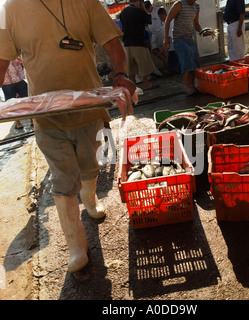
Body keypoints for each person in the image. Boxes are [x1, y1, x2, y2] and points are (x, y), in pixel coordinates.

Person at [0, 0, 136, 274]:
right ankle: (76, 245)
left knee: (90, 167)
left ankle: (89, 197)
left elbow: (112, 43)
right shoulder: (10, 9)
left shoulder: (86, 1)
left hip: (90, 109)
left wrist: (121, 75)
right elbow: (1, 59)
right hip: (46, 117)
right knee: (63, 178)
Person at [163, 0, 203, 96]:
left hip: (189, 37)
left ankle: (193, 86)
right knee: (186, 61)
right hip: (178, 38)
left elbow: (196, 24)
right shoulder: (179, 4)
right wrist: (166, 39)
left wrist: (203, 32)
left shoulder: (197, 6)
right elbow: (167, 20)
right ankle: (188, 87)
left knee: (195, 62)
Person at [120, 0, 159, 90]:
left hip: (127, 43)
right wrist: (143, 9)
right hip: (138, 42)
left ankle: (132, 85)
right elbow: (148, 21)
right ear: (138, 2)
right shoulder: (139, 10)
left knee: (131, 66)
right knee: (143, 64)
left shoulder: (123, 11)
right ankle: (146, 84)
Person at [2, 57, 32, 129]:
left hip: (6, 81)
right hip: (20, 78)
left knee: (11, 103)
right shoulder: (12, 49)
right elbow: (22, 61)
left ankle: (18, 123)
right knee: (27, 100)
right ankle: (32, 120)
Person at [144, 1, 167, 71]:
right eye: (146, 10)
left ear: (151, 6)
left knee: (162, 49)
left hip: (160, 32)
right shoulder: (145, 13)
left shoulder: (158, 10)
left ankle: (165, 65)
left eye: (149, 9)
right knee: (154, 50)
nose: (148, 11)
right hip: (153, 33)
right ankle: (165, 62)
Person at [158, 7, 180, 74]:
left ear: (165, 15)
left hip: (174, 45)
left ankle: (173, 71)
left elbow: (169, 36)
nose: (160, 19)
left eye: (161, 17)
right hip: (173, 45)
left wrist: (163, 47)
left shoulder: (169, 22)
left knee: (172, 62)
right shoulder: (168, 21)